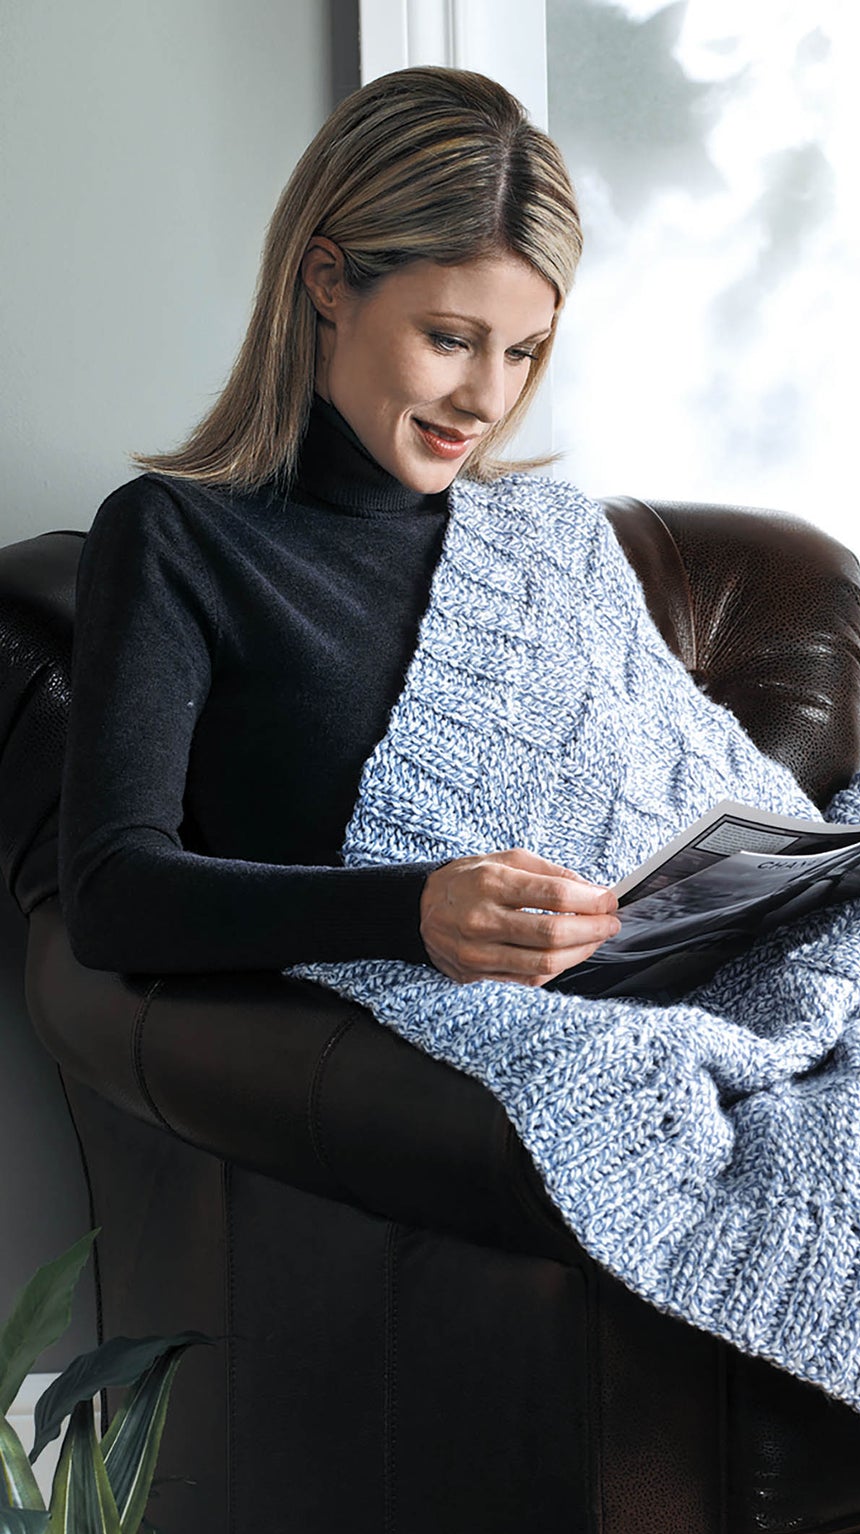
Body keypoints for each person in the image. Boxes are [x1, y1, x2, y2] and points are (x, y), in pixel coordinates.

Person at [59, 65, 622, 991]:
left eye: (522, 351)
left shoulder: (549, 539)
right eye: (449, 338)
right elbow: (110, 894)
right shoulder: (177, 540)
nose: (488, 398)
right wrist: (412, 912)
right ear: (328, 281)